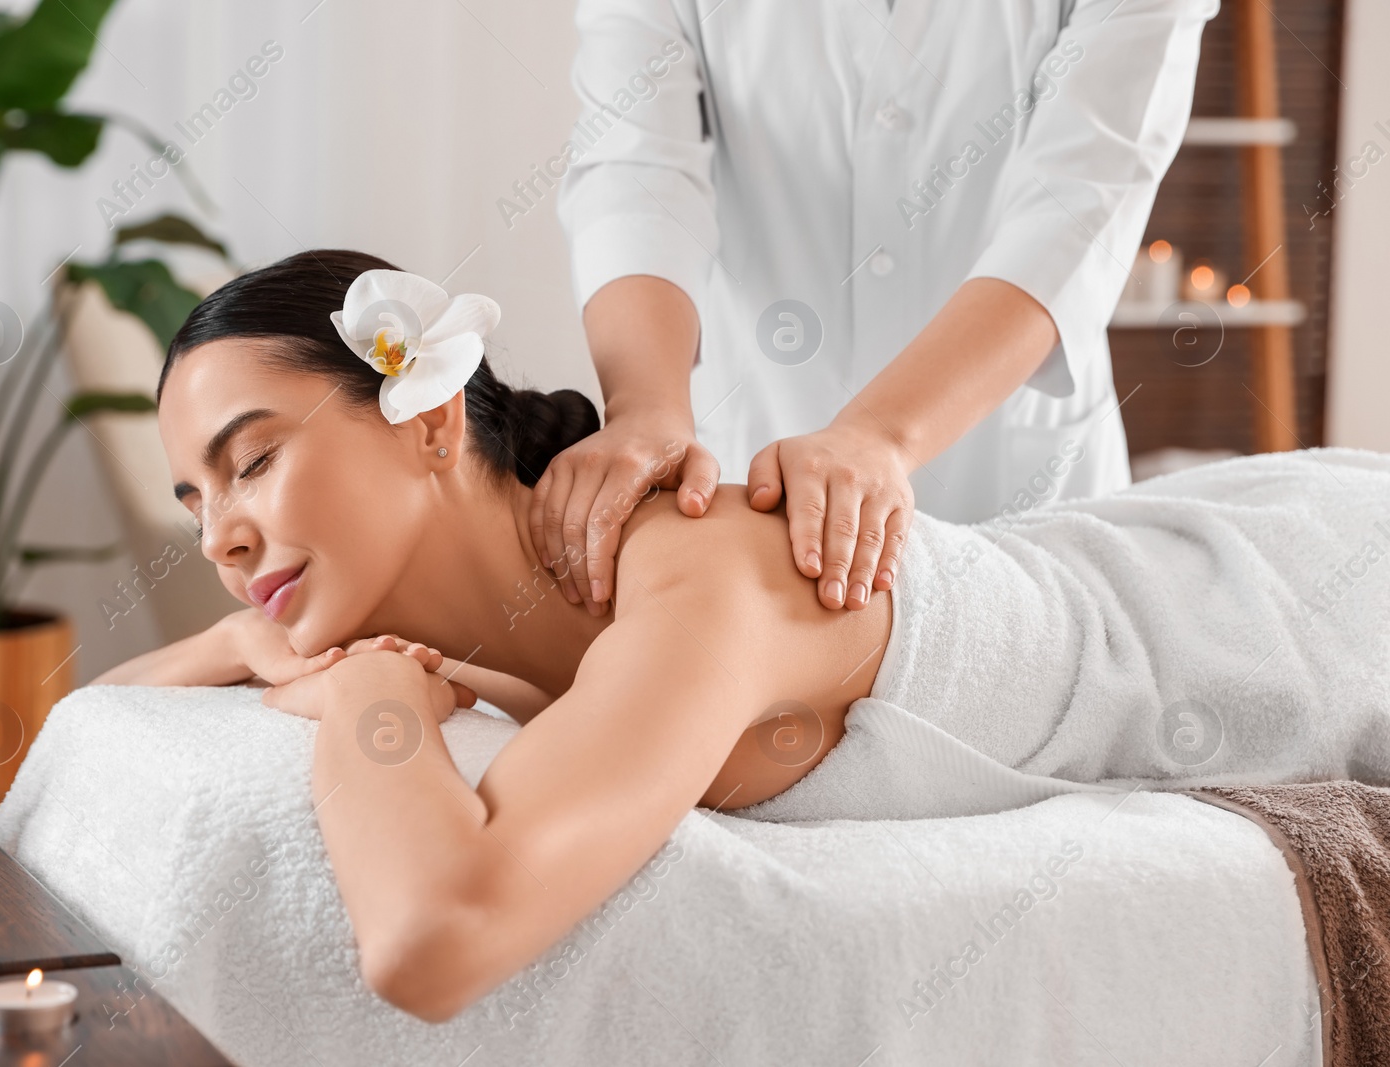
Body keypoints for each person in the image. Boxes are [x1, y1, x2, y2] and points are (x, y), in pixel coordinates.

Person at [94, 252, 1390, 1022]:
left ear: (429, 421)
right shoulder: (550, 626)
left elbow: (437, 936)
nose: (220, 536)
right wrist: (257, 648)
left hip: (1307, 602)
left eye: (252, 462)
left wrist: (363, 704)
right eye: (196, 501)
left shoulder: (699, 578)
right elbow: (110, 704)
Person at [539, 0, 1220, 618]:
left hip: (1017, 492)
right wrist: (645, 407)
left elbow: (1077, 207)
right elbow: (634, 170)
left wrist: (881, 435)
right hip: (754, 458)